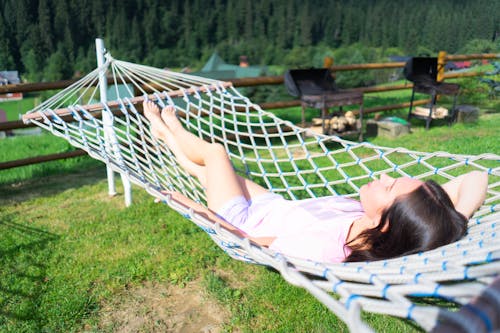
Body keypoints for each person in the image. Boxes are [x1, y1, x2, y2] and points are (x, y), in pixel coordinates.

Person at [142, 100, 489, 263]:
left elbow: (251, 242)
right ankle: (167, 137)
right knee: (205, 172)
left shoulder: (330, 248)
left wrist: (196, 209)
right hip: (273, 206)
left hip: (240, 220)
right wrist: (455, 219)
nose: (383, 176)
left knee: (216, 155)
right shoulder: (385, 226)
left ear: (387, 224)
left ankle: (172, 129)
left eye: (389, 186)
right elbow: (477, 176)